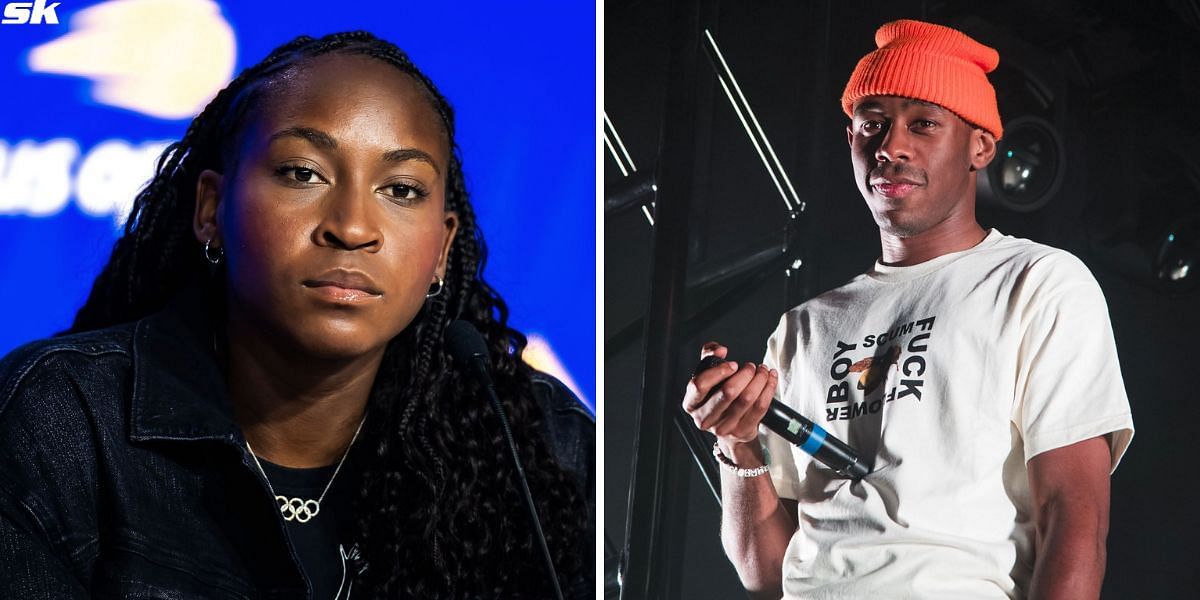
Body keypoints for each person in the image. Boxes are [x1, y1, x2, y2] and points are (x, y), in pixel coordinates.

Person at [0, 32, 593, 599]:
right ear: (212, 210)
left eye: (402, 189)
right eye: (302, 173)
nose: (353, 227)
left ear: (440, 250)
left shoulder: (542, 449)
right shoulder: (63, 420)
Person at [683, 19, 1133, 600]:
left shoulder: (1038, 282)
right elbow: (766, 574)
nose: (891, 146)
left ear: (980, 146)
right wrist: (736, 443)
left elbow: (1076, 521)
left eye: (923, 124)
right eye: (872, 124)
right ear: (851, 140)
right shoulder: (804, 328)